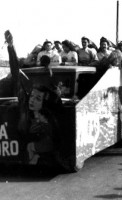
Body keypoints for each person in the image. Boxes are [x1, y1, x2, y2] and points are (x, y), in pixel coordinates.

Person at [5, 30, 63, 165]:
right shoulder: (25, 103)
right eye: (32, 96)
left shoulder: (48, 117)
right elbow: (15, 70)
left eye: (37, 98)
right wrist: (10, 46)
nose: (32, 99)